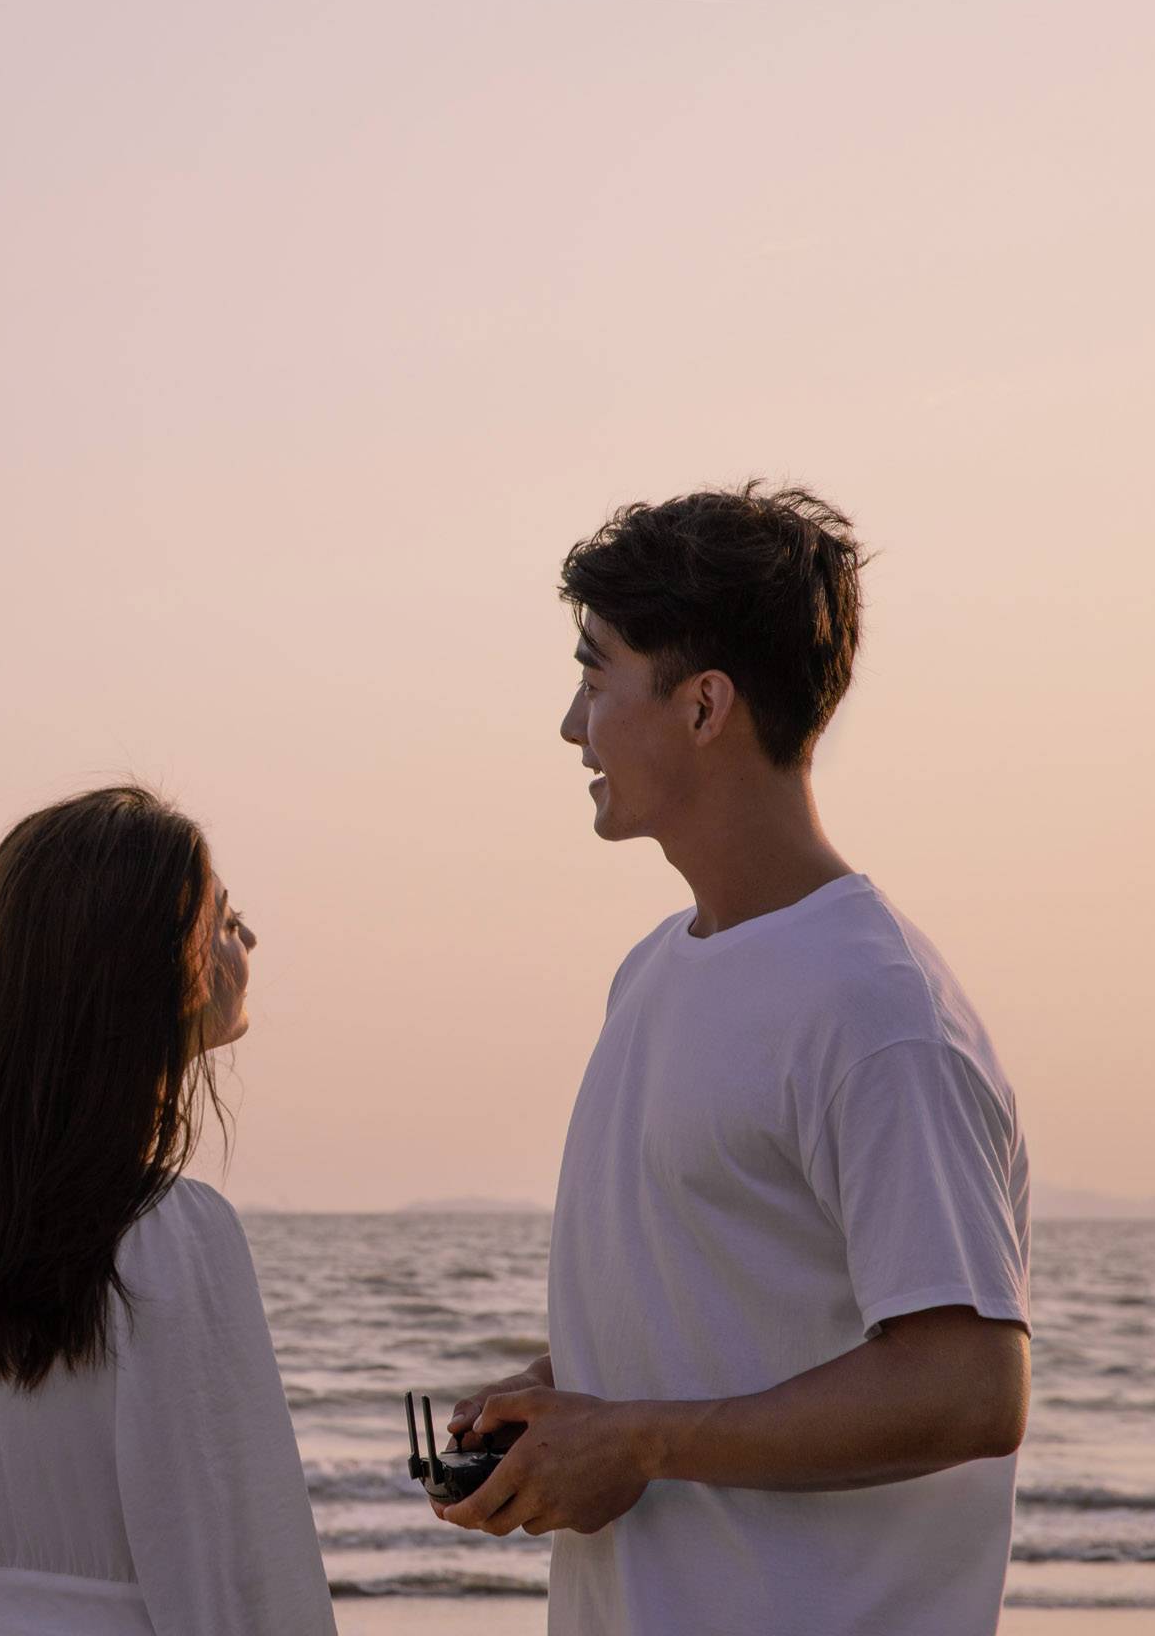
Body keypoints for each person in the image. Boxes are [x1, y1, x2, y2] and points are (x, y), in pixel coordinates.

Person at [433, 484, 1033, 1633]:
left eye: (596, 677)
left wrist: (643, 1437)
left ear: (705, 707)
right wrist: (569, 1395)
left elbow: (968, 1386)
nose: (572, 725)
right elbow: (739, 1306)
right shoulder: (654, 971)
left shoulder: (878, 1008)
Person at [0, 785, 335, 1636]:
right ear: (151, 970)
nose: (249, 939)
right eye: (224, 920)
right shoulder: (175, 1235)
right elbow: (234, 1561)